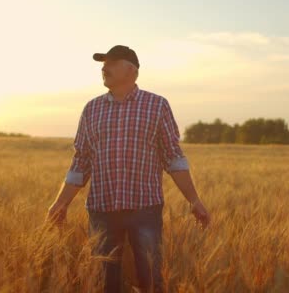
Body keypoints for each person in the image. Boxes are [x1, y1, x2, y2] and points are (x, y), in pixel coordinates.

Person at [46, 45, 210, 293]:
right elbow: (81, 163)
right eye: (103, 64)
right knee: (104, 284)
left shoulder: (157, 105)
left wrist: (194, 200)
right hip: (102, 211)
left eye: (111, 62)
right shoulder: (91, 109)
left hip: (144, 210)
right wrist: (60, 204)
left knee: (151, 282)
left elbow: (173, 158)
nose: (104, 68)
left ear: (131, 70)